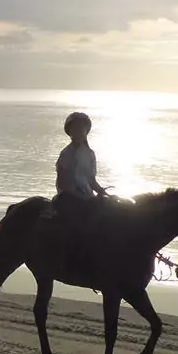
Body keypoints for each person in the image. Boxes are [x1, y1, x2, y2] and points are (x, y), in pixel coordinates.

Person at [49, 112, 109, 274]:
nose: (79, 132)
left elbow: (91, 180)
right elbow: (63, 182)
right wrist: (79, 195)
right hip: (68, 196)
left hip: (86, 195)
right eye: (75, 129)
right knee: (78, 222)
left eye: (82, 128)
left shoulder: (90, 154)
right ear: (70, 132)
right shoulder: (66, 154)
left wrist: (102, 192)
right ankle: (70, 257)